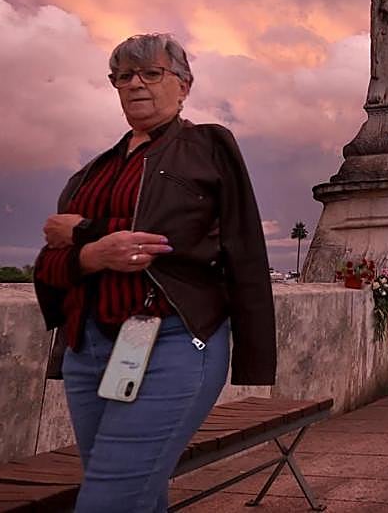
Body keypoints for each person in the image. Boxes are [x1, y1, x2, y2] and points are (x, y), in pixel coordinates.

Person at [33, 34, 276, 513]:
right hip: (90, 348)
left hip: (174, 339)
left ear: (184, 85)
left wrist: (84, 231)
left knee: (109, 498)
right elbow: (48, 267)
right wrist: (91, 256)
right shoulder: (87, 174)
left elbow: (200, 243)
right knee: (139, 494)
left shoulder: (207, 145)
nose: (135, 84)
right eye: (123, 76)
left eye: (151, 73)